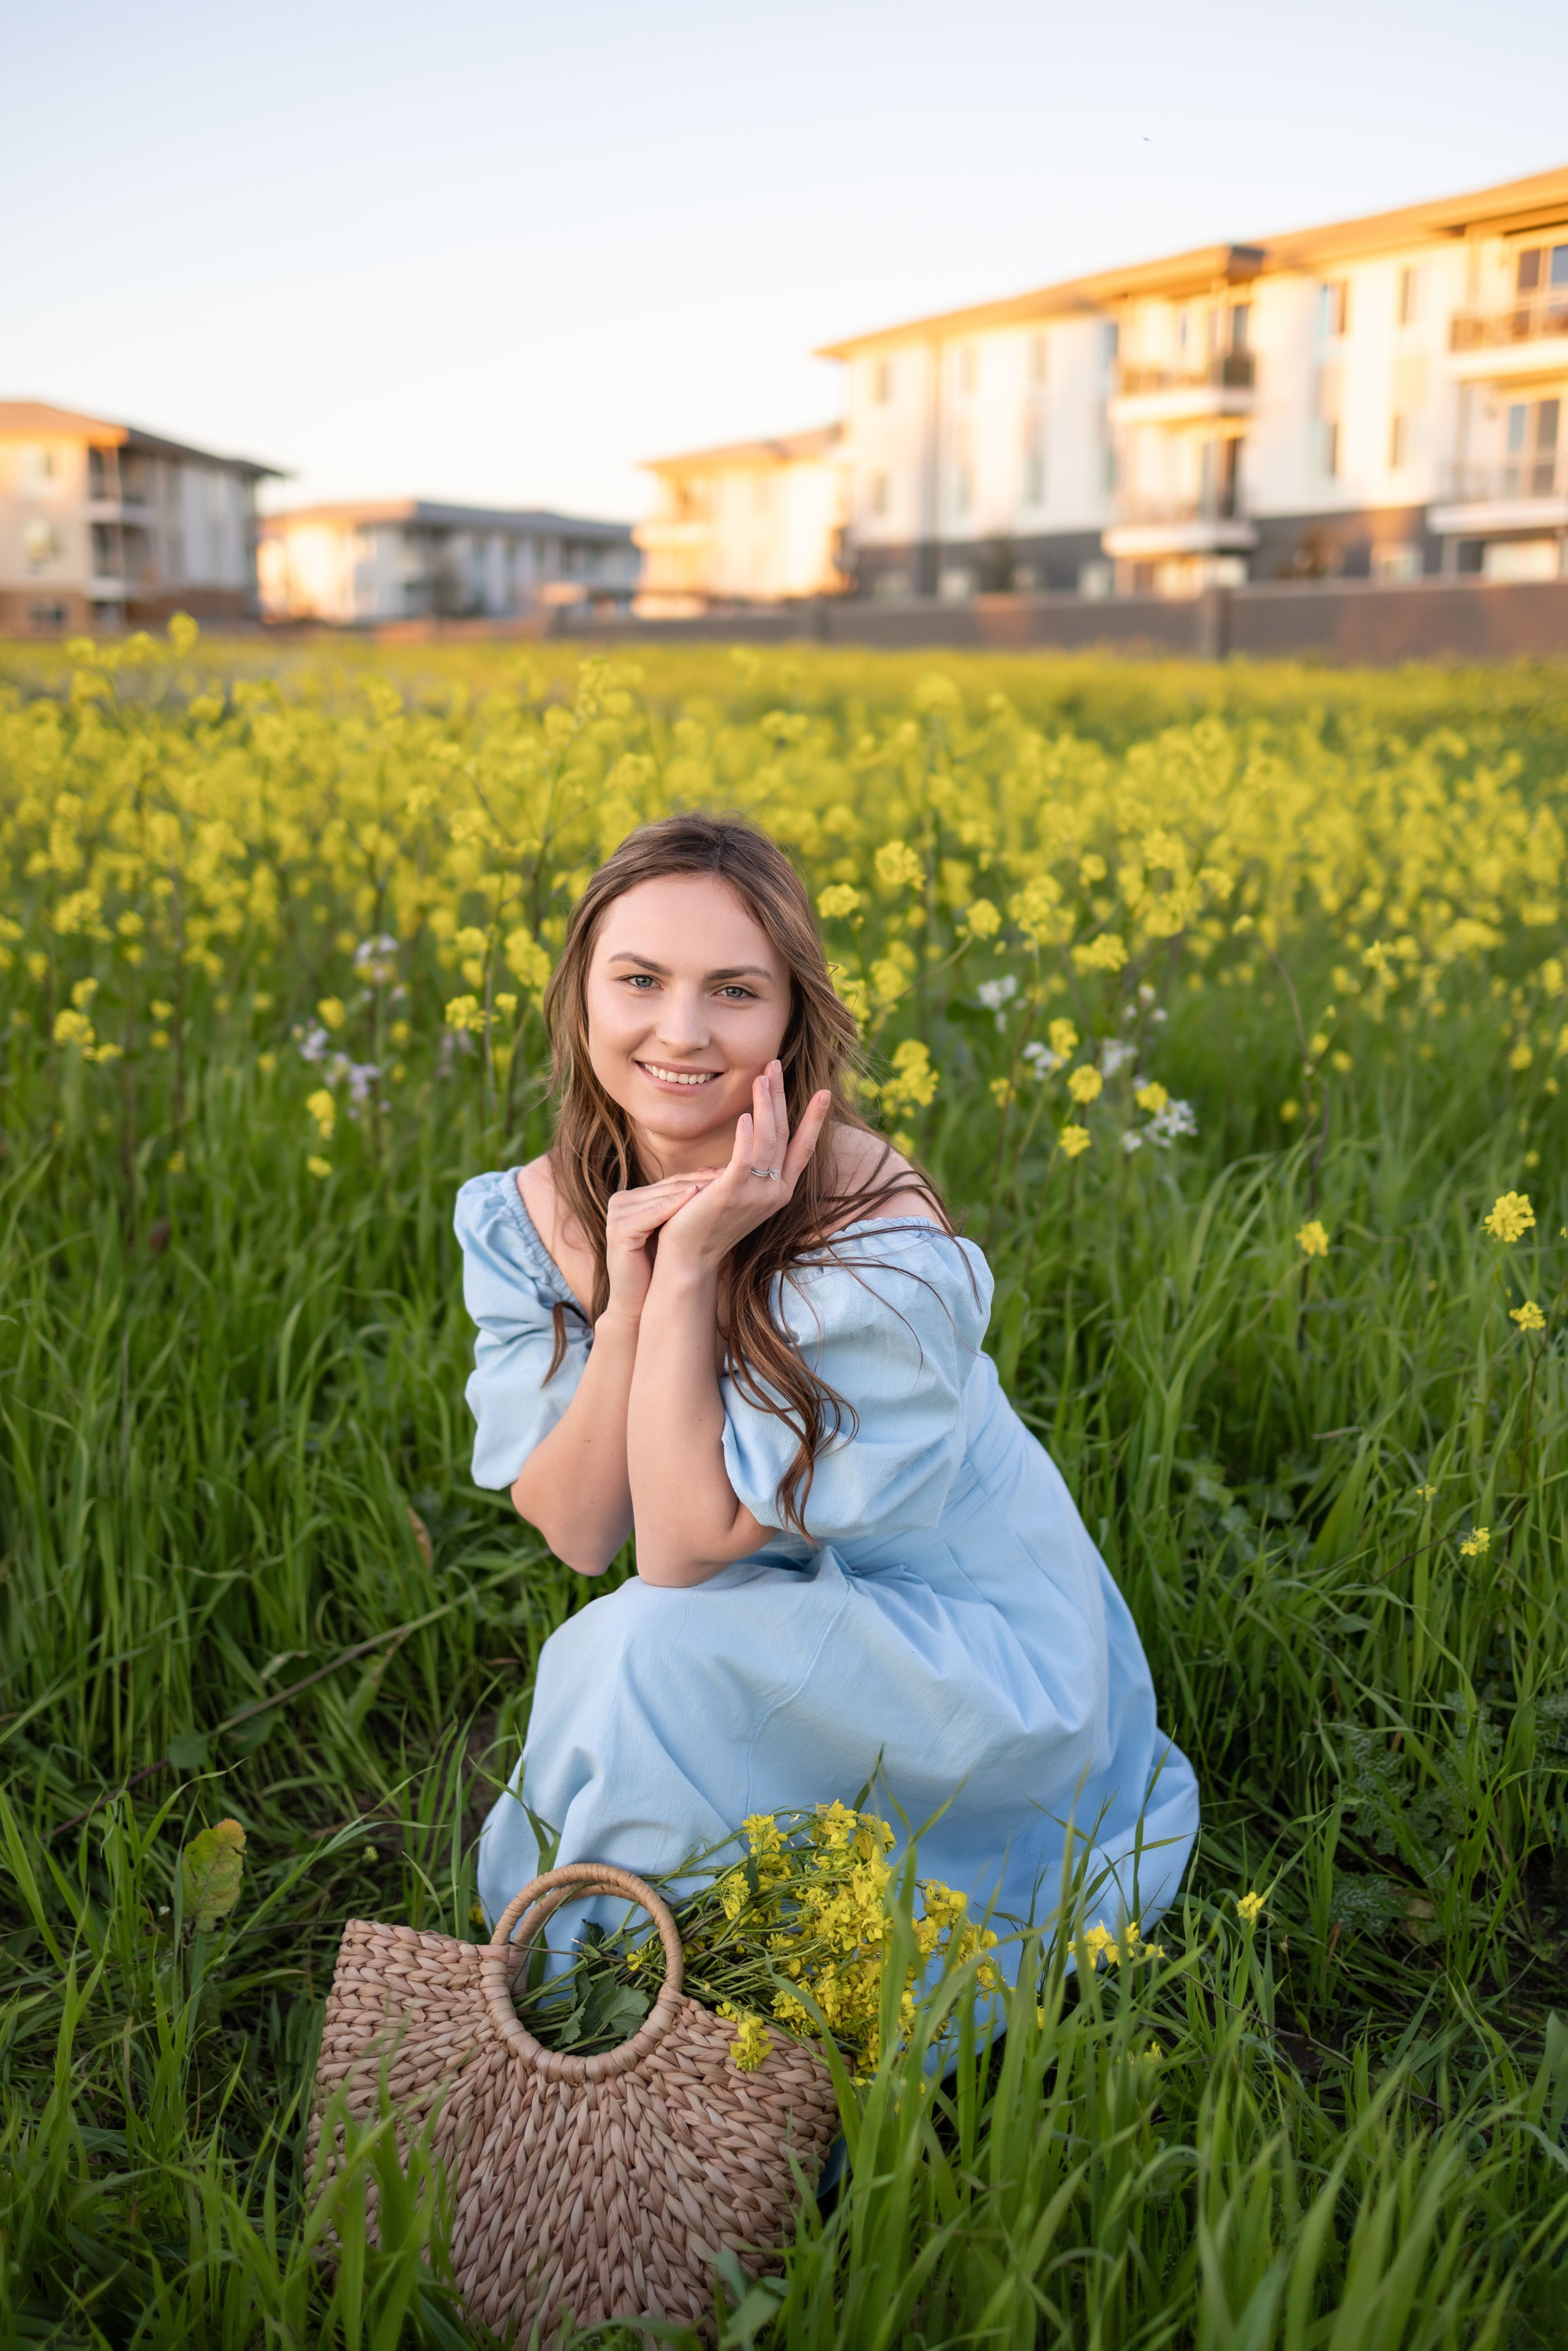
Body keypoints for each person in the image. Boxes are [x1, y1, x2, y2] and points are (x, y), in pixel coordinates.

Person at [455, 813, 1198, 1957]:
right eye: (640, 979)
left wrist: (690, 1266)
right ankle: (627, 1976)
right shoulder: (534, 1210)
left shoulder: (878, 1240)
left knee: (641, 1649)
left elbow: (680, 1554)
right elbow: (579, 1530)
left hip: (965, 1652)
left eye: (735, 991)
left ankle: (598, 1980)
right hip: (772, 1612)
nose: (681, 1031)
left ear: (792, 1019)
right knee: (632, 1650)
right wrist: (627, 1306)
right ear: (580, 996)